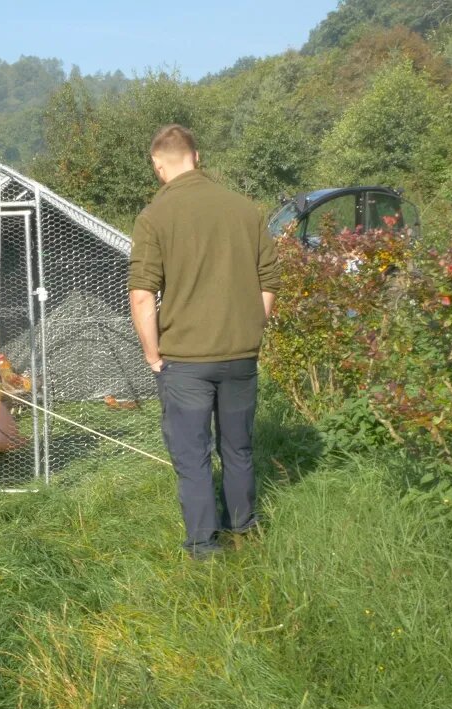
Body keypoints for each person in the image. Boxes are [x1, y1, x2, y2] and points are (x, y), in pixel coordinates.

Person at [127, 125, 280, 558]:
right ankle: (244, 527)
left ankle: (203, 546)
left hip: (186, 361)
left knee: (192, 456)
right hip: (241, 355)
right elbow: (269, 281)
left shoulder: (155, 216)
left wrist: (152, 354)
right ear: (197, 157)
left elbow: (142, 294)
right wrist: (251, 329)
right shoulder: (246, 210)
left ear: (159, 167)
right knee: (239, 447)